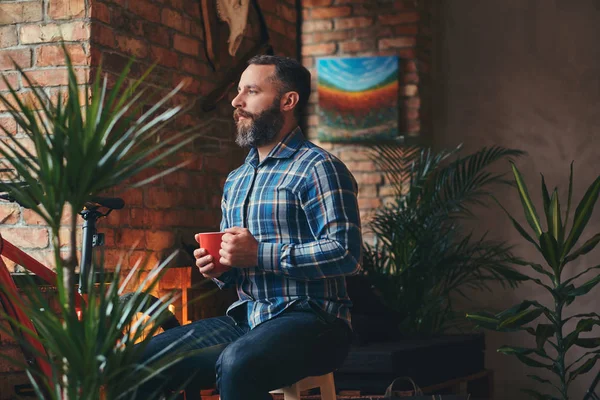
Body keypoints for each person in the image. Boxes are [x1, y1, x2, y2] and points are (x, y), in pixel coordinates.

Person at [139, 55, 362, 400]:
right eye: (238, 91)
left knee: (237, 363)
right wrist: (220, 267)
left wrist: (259, 253)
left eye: (251, 91)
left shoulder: (319, 168)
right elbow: (236, 270)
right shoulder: (237, 179)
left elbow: (346, 254)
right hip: (248, 318)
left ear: (288, 101)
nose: (236, 101)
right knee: (141, 361)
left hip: (315, 321)